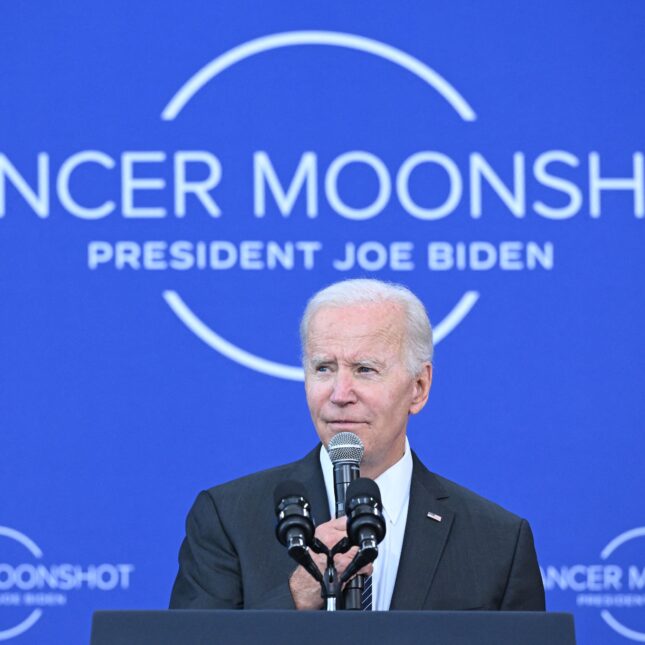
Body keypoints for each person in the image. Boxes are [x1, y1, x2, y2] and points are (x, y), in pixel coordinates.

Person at [170, 279, 545, 611]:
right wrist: (294, 599)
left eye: (365, 369)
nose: (339, 393)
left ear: (419, 387)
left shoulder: (497, 542)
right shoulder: (228, 518)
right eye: (324, 368)